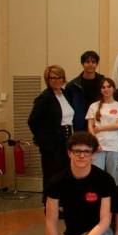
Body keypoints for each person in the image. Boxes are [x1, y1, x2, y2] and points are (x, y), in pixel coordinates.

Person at [28, 65, 74, 200]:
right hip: (52, 143)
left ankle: (61, 204)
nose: (56, 80)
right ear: (47, 80)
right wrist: (44, 141)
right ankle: (50, 205)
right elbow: (32, 121)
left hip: (66, 140)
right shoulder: (45, 97)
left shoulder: (64, 94)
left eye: (59, 77)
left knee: (64, 173)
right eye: (52, 77)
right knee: (52, 175)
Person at [86, 78, 118, 184]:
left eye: (109, 86)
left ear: (113, 88)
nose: (106, 89)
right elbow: (90, 126)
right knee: (96, 176)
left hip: (114, 146)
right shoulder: (93, 106)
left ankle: (113, 200)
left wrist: (100, 128)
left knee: (113, 177)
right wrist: (95, 143)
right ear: (100, 90)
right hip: (98, 146)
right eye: (103, 87)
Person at [65, 50, 104, 131]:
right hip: (80, 125)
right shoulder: (72, 85)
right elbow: (68, 108)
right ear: (82, 64)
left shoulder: (104, 82)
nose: (90, 64)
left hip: (99, 122)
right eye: (87, 62)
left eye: (93, 62)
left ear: (96, 64)